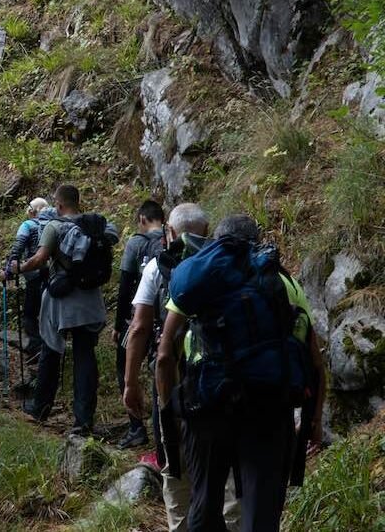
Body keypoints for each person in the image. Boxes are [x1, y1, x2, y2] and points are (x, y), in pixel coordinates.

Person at [156, 214, 326, 532]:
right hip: (269, 407)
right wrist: (314, 420)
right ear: (257, 242)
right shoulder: (283, 282)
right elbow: (315, 363)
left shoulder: (203, 277)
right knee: (260, 512)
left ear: (217, 242)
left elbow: (165, 356)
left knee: (204, 503)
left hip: (207, 405)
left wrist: (170, 413)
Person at [123, 203, 240, 531]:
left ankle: (181, 525)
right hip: (224, 383)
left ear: (169, 232)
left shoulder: (158, 268)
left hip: (172, 382)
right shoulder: (228, 266)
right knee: (230, 469)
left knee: (176, 468)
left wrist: (130, 383)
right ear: (209, 230)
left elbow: (140, 328)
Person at [12, 185, 118, 434]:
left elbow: (39, 259)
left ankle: (40, 407)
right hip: (91, 300)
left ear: (58, 205)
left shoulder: (54, 227)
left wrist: (18, 268)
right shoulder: (95, 225)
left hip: (62, 301)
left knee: (51, 350)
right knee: (85, 356)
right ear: (77, 202)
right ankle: (83, 420)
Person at [113, 199, 166, 449]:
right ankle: (163, 433)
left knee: (124, 366)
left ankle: (136, 428)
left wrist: (117, 325)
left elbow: (125, 287)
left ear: (142, 219)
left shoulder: (136, 243)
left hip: (138, 316)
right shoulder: (171, 242)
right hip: (166, 319)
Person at [3, 197, 56, 363]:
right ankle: (49, 347)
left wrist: (9, 272)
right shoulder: (54, 224)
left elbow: (17, 248)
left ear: (32, 211)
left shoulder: (27, 226)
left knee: (29, 314)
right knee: (47, 312)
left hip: (33, 273)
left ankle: (36, 347)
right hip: (53, 273)